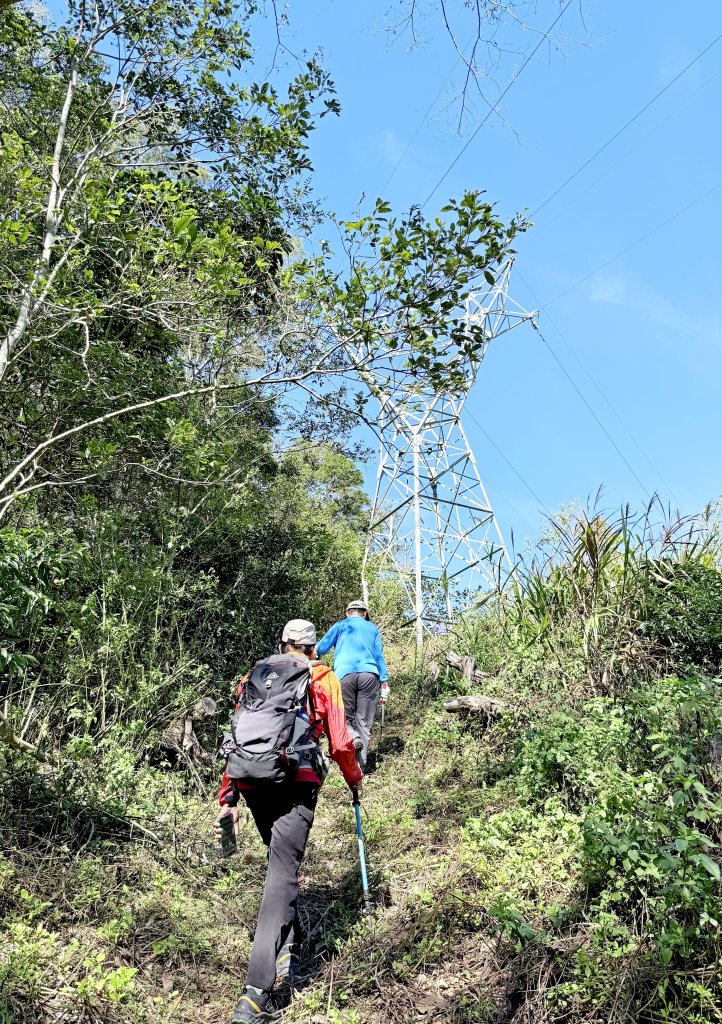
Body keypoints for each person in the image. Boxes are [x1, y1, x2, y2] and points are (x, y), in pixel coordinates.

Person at [215, 619, 363, 1023]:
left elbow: (237, 737)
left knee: (280, 864)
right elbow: (341, 741)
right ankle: (254, 995)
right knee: (282, 875)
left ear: (281, 644)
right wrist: (354, 780)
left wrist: (228, 798)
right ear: (313, 648)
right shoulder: (323, 677)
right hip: (296, 782)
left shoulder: (254, 676)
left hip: (251, 780)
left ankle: (287, 949)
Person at [315, 600, 389, 770]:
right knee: (364, 722)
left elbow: (321, 648)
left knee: (343, 718)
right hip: (370, 676)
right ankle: (360, 767)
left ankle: (352, 738)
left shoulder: (341, 625)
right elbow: (379, 656)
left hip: (344, 676)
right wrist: (384, 681)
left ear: (348, 613)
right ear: (364, 613)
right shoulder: (372, 628)